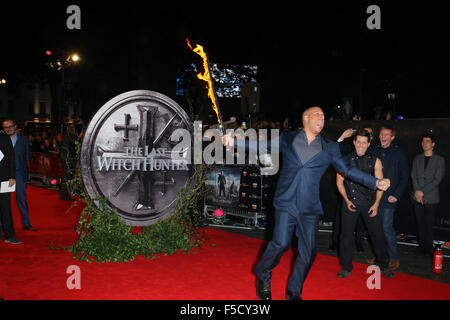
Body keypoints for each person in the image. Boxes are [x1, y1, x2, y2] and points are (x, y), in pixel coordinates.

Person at [223, 106, 391, 300]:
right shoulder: (288, 138)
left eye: (323, 116)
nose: (322, 118)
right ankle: (263, 274)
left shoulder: (330, 147)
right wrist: (233, 141)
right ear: (305, 119)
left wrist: (375, 182)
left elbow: (349, 171)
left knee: (308, 252)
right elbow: (263, 146)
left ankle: (294, 291)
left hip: (309, 207)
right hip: (286, 202)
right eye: (317, 114)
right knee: (280, 244)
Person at [336, 129, 393, 278]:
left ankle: (383, 265)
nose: (361, 145)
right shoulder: (345, 160)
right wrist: (346, 200)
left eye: (364, 142)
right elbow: (339, 181)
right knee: (346, 237)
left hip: (369, 204)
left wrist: (376, 204)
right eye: (358, 142)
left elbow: (380, 185)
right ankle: (346, 267)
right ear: (354, 143)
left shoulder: (375, 161)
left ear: (368, 144)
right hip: (350, 203)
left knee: (378, 236)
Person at [370, 125, 408, 270]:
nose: (383, 136)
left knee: (386, 228)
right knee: (376, 228)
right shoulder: (374, 151)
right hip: (374, 197)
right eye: (381, 134)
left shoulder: (399, 153)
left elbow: (404, 178)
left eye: (386, 134)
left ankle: (393, 258)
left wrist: (396, 195)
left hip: (389, 198)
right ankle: (380, 256)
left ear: (392, 137)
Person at [411, 132, 445, 256]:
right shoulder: (417, 158)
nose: (424, 143)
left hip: (431, 197)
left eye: (427, 141)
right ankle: (421, 247)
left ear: (433, 144)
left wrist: (422, 192)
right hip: (416, 197)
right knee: (419, 223)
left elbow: (437, 180)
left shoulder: (439, 160)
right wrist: (417, 192)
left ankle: (429, 249)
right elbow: (413, 176)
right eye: (423, 141)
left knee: (429, 224)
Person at [2, 119, 37, 231]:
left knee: (22, 199)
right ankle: (3, 224)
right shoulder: (1, 140)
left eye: (10, 126)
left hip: (19, 174)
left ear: (15, 126)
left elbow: (27, 156)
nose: (8, 129)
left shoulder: (24, 140)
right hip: (4, 175)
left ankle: (26, 223)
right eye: (6, 127)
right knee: (3, 201)